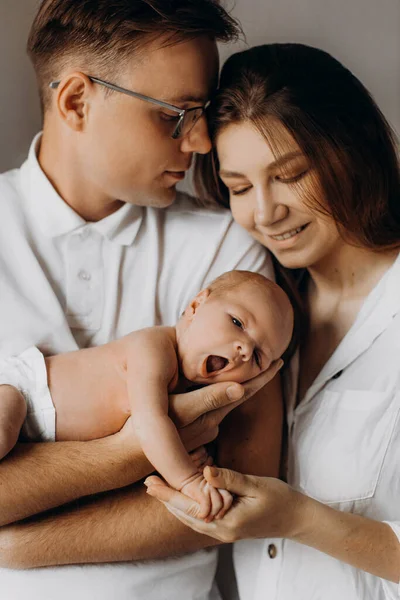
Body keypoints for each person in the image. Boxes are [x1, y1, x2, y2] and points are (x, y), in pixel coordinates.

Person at [0, 4, 285, 600]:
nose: (203, 142)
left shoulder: (229, 258)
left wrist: (20, 543)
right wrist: (135, 452)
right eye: (173, 115)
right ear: (76, 101)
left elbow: (242, 491)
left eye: (202, 114)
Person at [145, 43, 400, 600]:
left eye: (290, 175)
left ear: (350, 151)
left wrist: (300, 520)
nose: (265, 212)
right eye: (239, 188)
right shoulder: (252, 320)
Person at [0, 270, 292, 521]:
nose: (243, 349)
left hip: (39, 444)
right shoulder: (154, 347)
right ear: (196, 305)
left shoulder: (192, 392)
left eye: (257, 357)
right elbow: (149, 422)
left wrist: (194, 462)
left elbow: (159, 444)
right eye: (238, 323)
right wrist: (187, 479)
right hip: (22, 390)